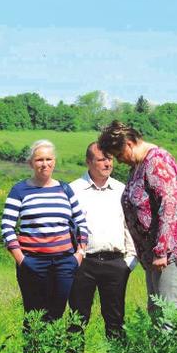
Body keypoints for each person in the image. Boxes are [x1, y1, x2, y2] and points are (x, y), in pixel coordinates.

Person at [97, 121, 177, 312]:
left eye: (119, 154)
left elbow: (168, 205)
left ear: (129, 143)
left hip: (169, 252)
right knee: (156, 313)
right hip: (153, 253)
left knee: (167, 316)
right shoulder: (139, 165)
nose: (119, 161)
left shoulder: (156, 160)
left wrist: (162, 250)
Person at [2, 139, 89, 325]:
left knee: (56, 316)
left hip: (64, 263)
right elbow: (7, 227)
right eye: (39, 159)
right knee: (33, 318)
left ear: (54, 161)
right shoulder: (19, 190)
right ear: (31, 163)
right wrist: (21, 260)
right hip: (32, 262)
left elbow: (81, 222)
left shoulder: (65, 189)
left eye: (49, 159)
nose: (45, 164)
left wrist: (79, 254)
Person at [67, 142, 136, 339]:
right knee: (77, 320)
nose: (107, 163)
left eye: (110, 159)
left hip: (116, 263)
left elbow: (130, 227)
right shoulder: (73, 190)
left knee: (116, 320)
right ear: (88, 162)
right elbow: (66, 228)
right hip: (83, 264)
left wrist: (128, 263)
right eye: (101, 159)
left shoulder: (122, 190)